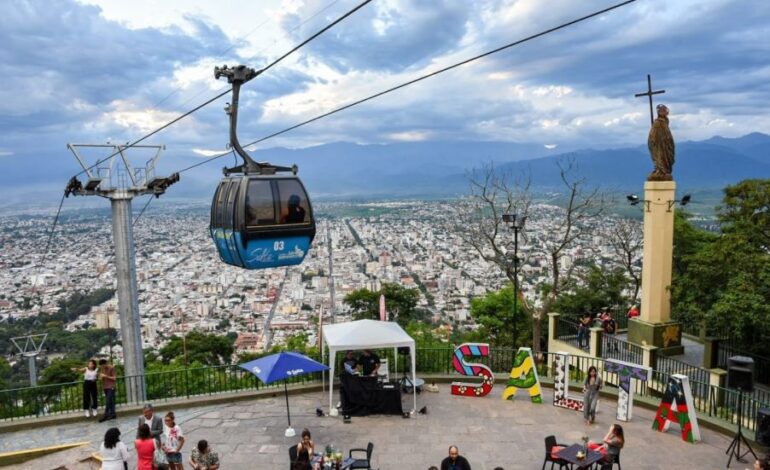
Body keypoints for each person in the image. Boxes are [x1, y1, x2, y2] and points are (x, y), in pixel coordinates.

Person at [647, 103, 675, 181]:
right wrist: (654, 141)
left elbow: (668, 135)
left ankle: (664, 170)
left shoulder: (665, 122)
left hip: (666, 145)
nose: (665, 112)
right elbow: (652, 136)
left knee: (667, 158)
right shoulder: (657, 123)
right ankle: (660, 170)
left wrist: (668, 141)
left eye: (665, 111)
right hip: (659, 146)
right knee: (660, 157)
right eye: (663, 111)